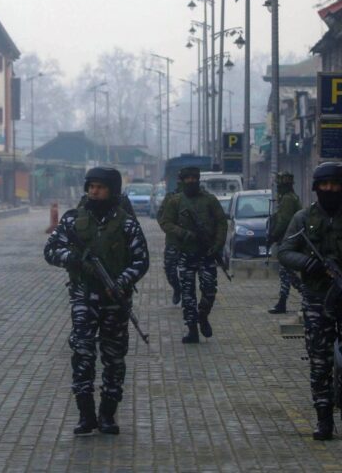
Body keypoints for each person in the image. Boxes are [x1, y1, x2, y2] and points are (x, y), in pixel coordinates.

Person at [278, 162, 342, 441]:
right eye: (324, 185)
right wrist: (308, 264)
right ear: (316, 188)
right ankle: (324, 418)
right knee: (320, 361)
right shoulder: (303, 219)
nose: (329, 190)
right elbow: (285, 251)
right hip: (316, 299)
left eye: (334, 185)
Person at [44, 167, 149, 436]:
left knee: (114, 358)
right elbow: (51, 250)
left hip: (115, 300)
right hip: (83, 298)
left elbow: (141, 261)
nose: (94, 191)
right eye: (91, 186)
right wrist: (75, 260)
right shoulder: (72, 221)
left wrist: (122, 282)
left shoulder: (126, 223)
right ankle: (85, 414)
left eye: (100, 187)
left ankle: (108, 415)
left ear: (112, 190)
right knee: (83, 353)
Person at [158, 166, 228, 344]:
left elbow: (221, 222)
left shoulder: (210, 200)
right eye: (187, 178)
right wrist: (183, 233)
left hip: (206, 253)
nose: (191, 181)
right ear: (182, 181)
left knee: (209, 291)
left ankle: (203, 316)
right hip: (186, 253)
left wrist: (218, 244)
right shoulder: (175, 202)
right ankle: (192, 329)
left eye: (194, 178)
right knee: (188, 294)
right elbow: (165, 222)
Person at [268, 171, 303, 314]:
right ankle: (283, 302)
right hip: (290, 240)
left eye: (279, 184)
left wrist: (273, 235)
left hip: (289, 240)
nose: (278, 187)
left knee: (287, 272)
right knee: (286, 272)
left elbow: (284, 221)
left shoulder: (288, 199)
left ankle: (306, 295)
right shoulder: (290, 197)